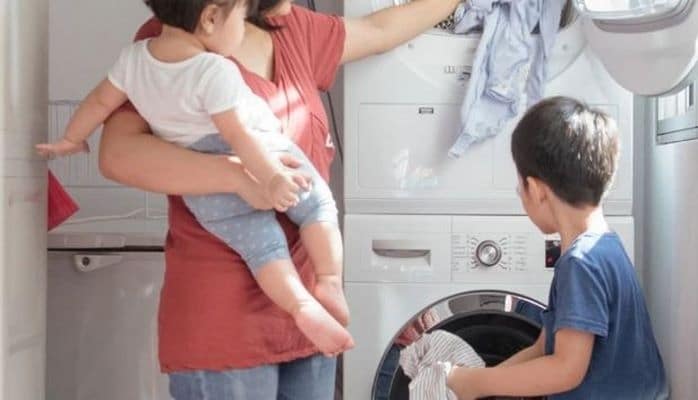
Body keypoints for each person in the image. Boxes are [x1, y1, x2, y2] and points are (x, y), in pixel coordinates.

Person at [96, 0, 461, 398]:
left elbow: (379, 31)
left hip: (309, 321)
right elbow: (118, 155)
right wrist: (236, 175)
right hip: (224, 323)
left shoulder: (294, 29)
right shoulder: (174, 37)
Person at [37, 0, 353, 356]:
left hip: (203, 188)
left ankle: (300, 305)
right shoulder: (214, 70)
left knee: (262, 248)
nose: (243, 27)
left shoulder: (133, 59)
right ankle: (328, 280)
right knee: (318, 207)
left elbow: (99, 103)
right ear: (210, 17)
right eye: (241, 17)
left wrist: (72, 138)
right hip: (261, 152)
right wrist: (272, 177)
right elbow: (238, 135)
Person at [446, 96, 669, 399]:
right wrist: (482, 382)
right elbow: (544, 347)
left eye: (520, 185)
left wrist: (476, 383)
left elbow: (566, 369)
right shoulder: (605, 246)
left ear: (536, 190)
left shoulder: (580, 263)